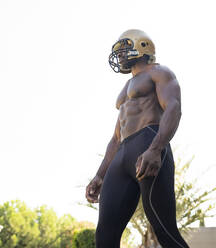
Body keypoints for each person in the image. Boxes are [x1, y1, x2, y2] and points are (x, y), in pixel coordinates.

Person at [85, 29, 190, 248]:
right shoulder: (125, 89)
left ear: (142, 46)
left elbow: (174, 107)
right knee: (105, 235)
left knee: (164, 230)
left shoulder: (159, 72)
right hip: (122, 153)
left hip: (147, 143)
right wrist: (99, 175)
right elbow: (116, 138)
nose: (120, 55)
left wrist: (156, 148)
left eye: (123, 48)